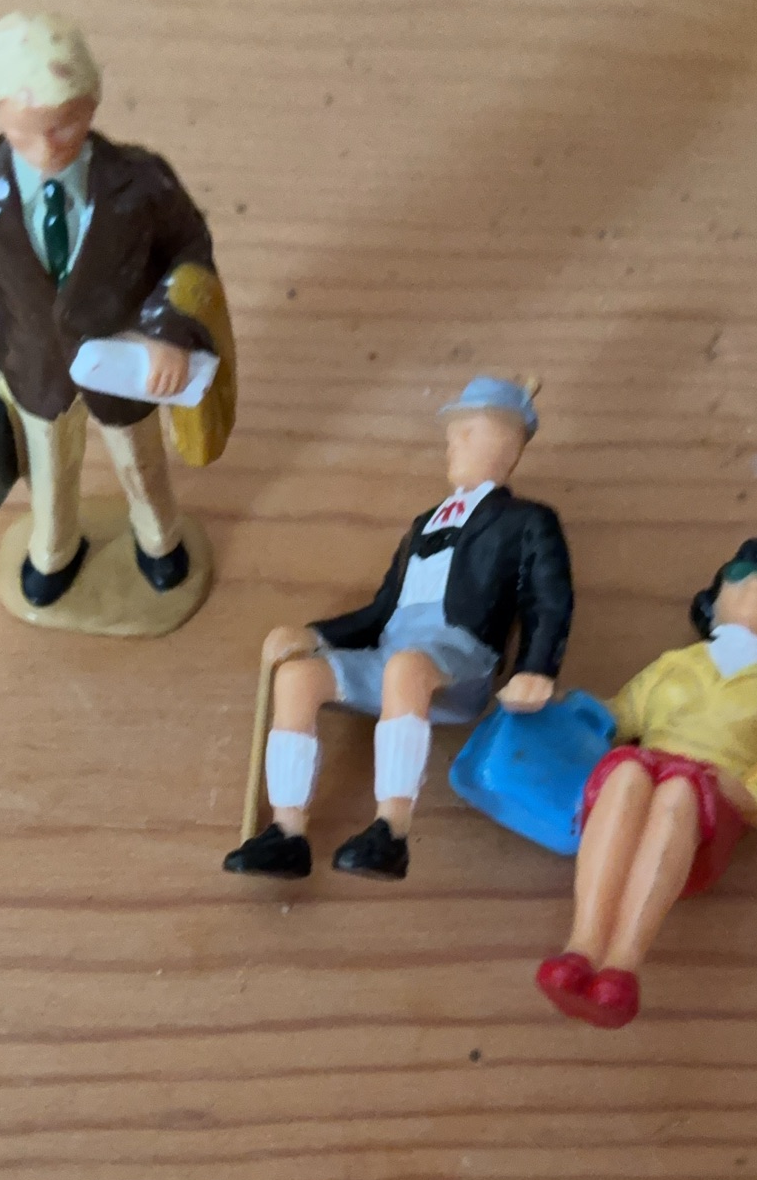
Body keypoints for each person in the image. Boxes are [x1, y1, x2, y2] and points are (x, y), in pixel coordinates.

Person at [223, 376, 574, 883]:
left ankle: (391, 830)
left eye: (466, 433)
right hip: (394, 651)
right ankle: (286, 833)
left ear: (507, 442)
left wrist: (536, 669)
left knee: (406, 669)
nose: (452, 446)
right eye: (452, 436)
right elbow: (381, 610)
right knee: (298, 677)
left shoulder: (528, 521)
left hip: (461, 659)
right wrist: (315, 635)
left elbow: (549, 599)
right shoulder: (422, 524)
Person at [0, 11, 231, 608]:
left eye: (67, 123)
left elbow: (190, 248)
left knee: (140, 461)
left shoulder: (141, 181)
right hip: (34, 362)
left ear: (94, 103)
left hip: (127, 359)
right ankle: (54, 549)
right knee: (47, 471)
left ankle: (160, 539)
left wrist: (167, 331)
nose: (50, 145)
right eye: (27, 130)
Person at [536, 537, 757, 1029]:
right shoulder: (676, 664)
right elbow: (622, 714)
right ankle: (581, 947)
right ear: (714, 599)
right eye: (739, 577)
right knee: (626, 772)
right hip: (644, 772)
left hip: (705, 812)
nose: (754, 588)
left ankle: (622, 965)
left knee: (678, 793)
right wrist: (567, 706)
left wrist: (745, 793)